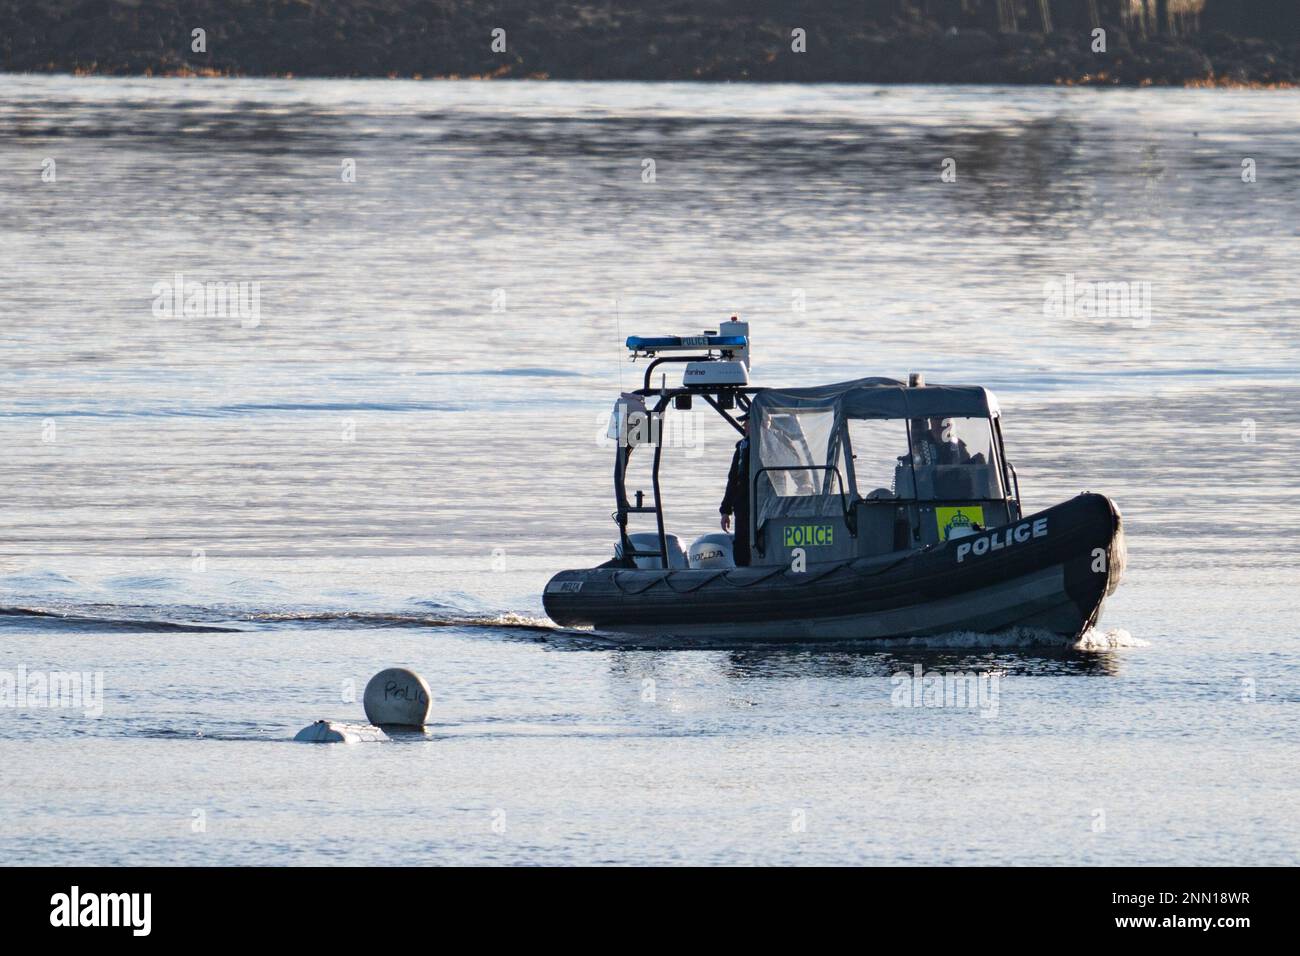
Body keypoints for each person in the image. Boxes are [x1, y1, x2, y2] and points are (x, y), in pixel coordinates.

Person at [719, 434, 751, 566]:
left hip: (768, 504)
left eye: (748, 421)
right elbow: (733, 479)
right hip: (744, 505)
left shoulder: (776, 440)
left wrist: (804, 482)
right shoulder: (743, 446)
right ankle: (743, 572)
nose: (744, 425)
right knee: (741, 543)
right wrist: (726, 511)